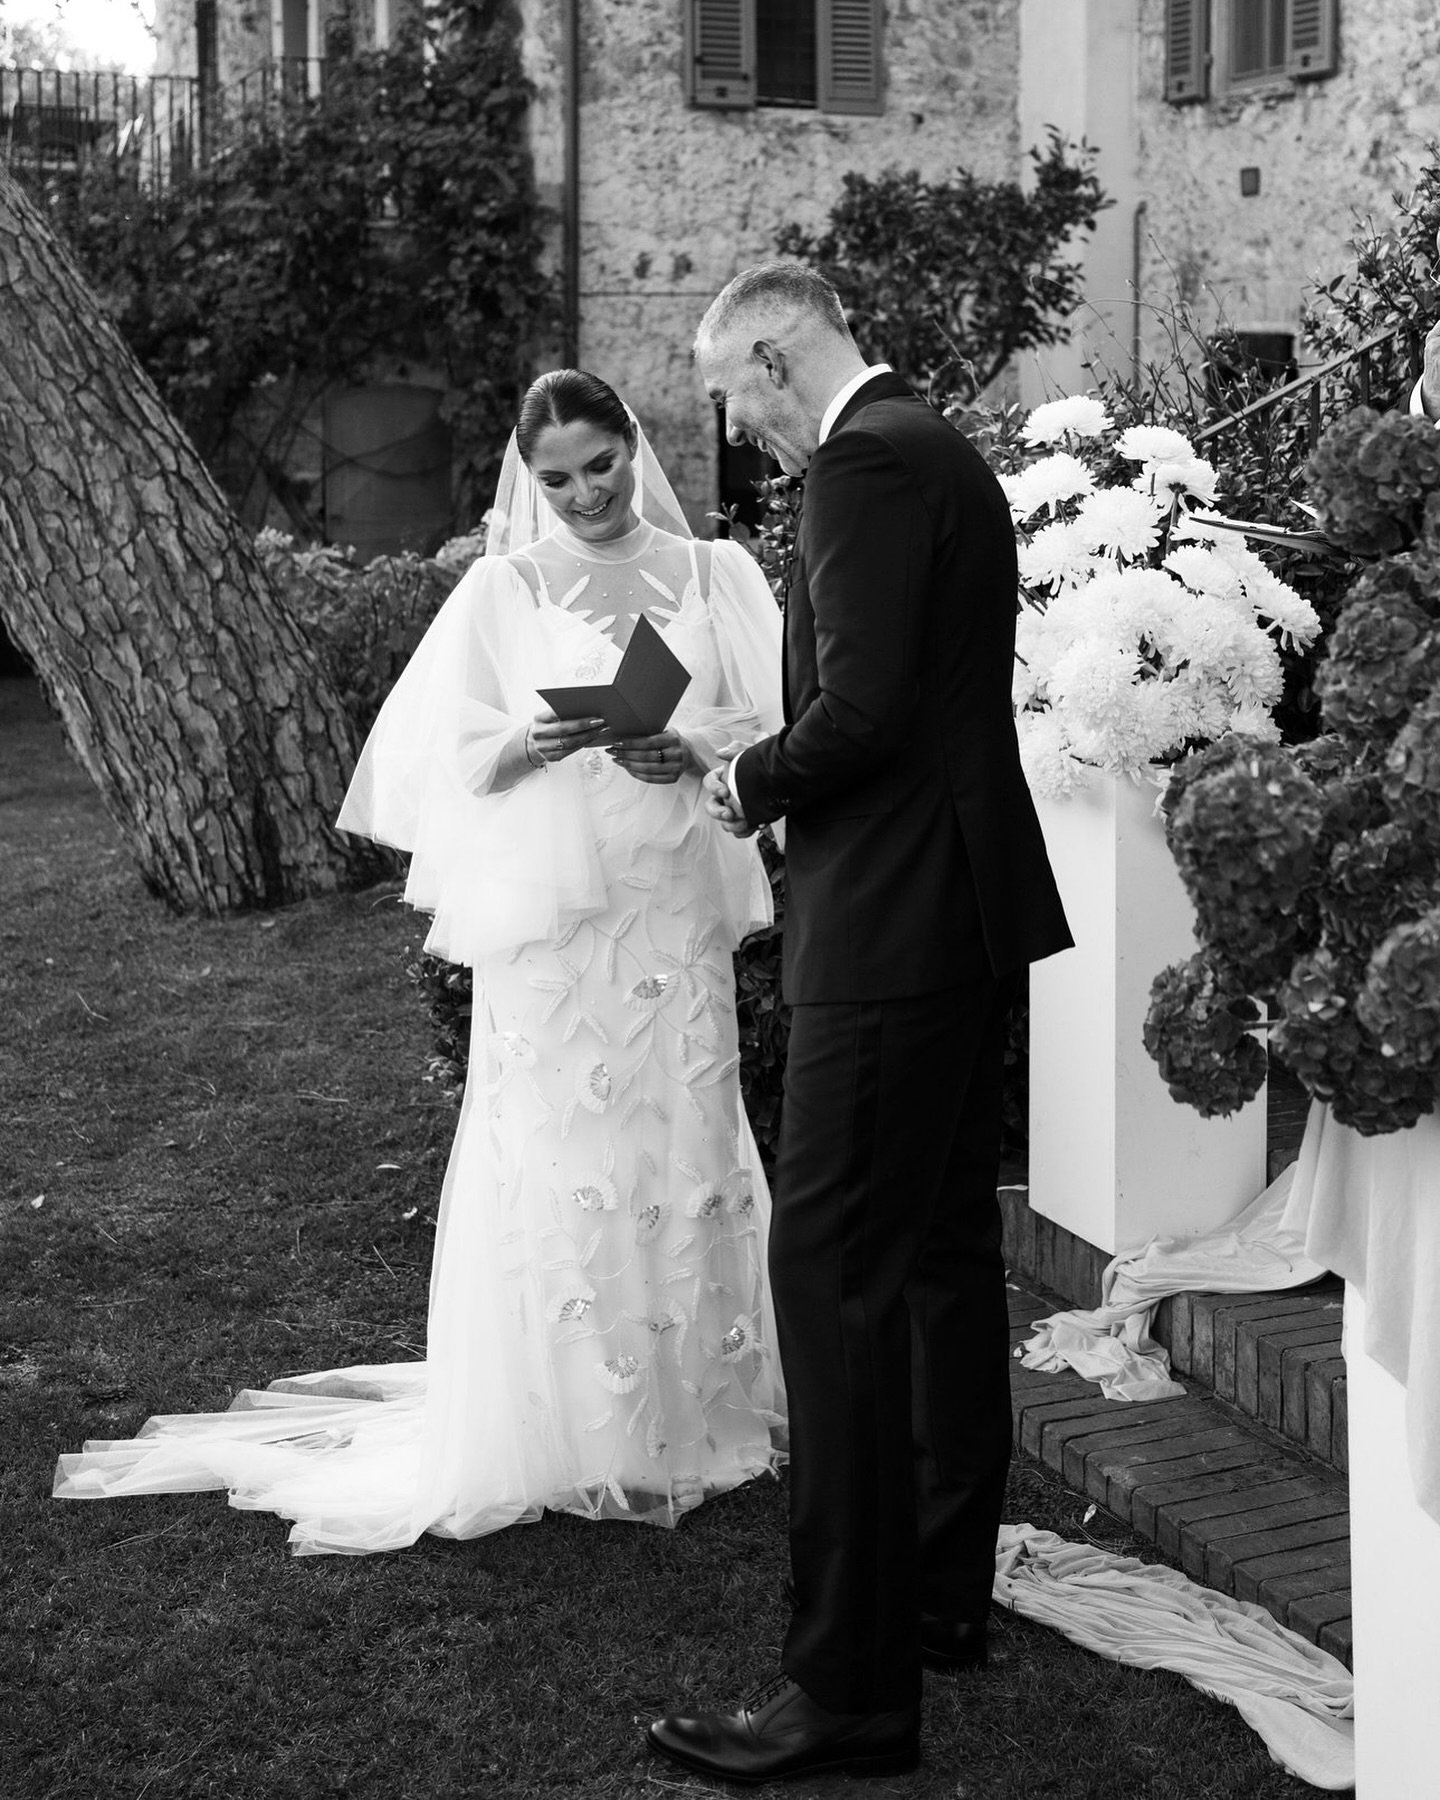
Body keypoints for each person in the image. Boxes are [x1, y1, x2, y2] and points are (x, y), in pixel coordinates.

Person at [54, 370, 788, 1553]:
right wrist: (524, 740)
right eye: (554, 478)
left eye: (599, 465)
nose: (583, 494)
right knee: (560, 1149)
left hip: (670, 899)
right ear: (526, 476)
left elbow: (778, 728)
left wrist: (690, 741)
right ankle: (566, 1424)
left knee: (686, 1134)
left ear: (635, 448)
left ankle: (693, 1409)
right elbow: (432, 758)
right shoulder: (505, 585)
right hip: (555, 925)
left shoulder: (719, 573)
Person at [645, 264, 1073, 1784]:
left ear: (776, 351)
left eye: (735, 396)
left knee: (830, 1275)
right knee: (948, 1255)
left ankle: (846, 1687)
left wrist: (742, 781)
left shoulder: (864, 461)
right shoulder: (937, 441)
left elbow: (866, 711)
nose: (741, 432)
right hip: (953, 913)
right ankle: (943, 1595)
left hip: (887, 926)